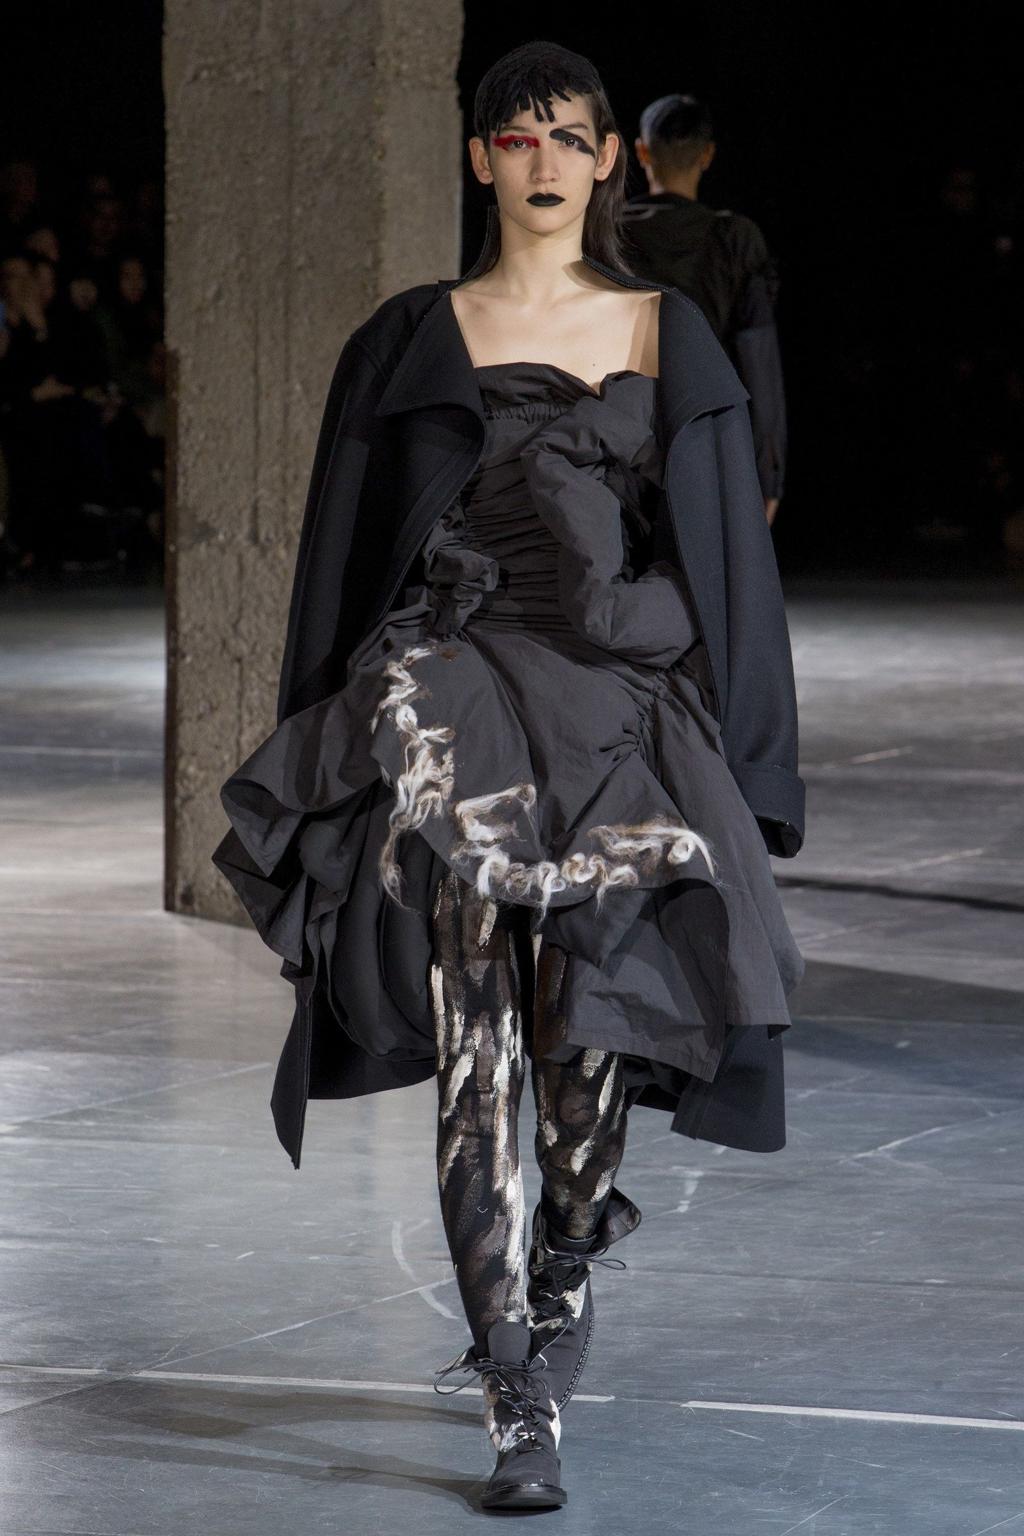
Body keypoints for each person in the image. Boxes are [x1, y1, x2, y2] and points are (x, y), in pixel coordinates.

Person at [212, 39, 805, 1513]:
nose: (545, 161)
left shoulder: (667, 330)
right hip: (455, 690)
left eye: (569, 137)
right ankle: (512, 1385)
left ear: (608, 160)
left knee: (579, 1045)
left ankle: (566, 1257)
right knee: (477, 1046)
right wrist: (320, 749)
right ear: (481, 158)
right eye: (517, 136)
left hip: (612, 699)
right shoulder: (410, 337)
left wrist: (753, 766)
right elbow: (342, 554)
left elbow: (725, 564)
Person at [623, 93, 787, 525]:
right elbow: (758, 360)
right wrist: (768, 472)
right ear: (707, 155)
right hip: (708, 436)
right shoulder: (733, 239)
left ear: (642, 152)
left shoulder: (607, 235)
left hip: (619, 440)